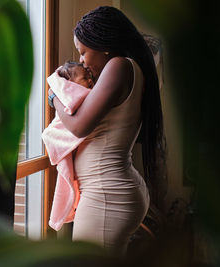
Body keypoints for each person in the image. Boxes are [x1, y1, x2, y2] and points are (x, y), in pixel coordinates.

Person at [47, 6, 166, 255]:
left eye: (84, 52)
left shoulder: (119, 67)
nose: (82, 61)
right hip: (111, 191)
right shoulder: (131, 68)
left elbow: (79, 126)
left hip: (107, 195)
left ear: (104, 45)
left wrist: (53, 95)